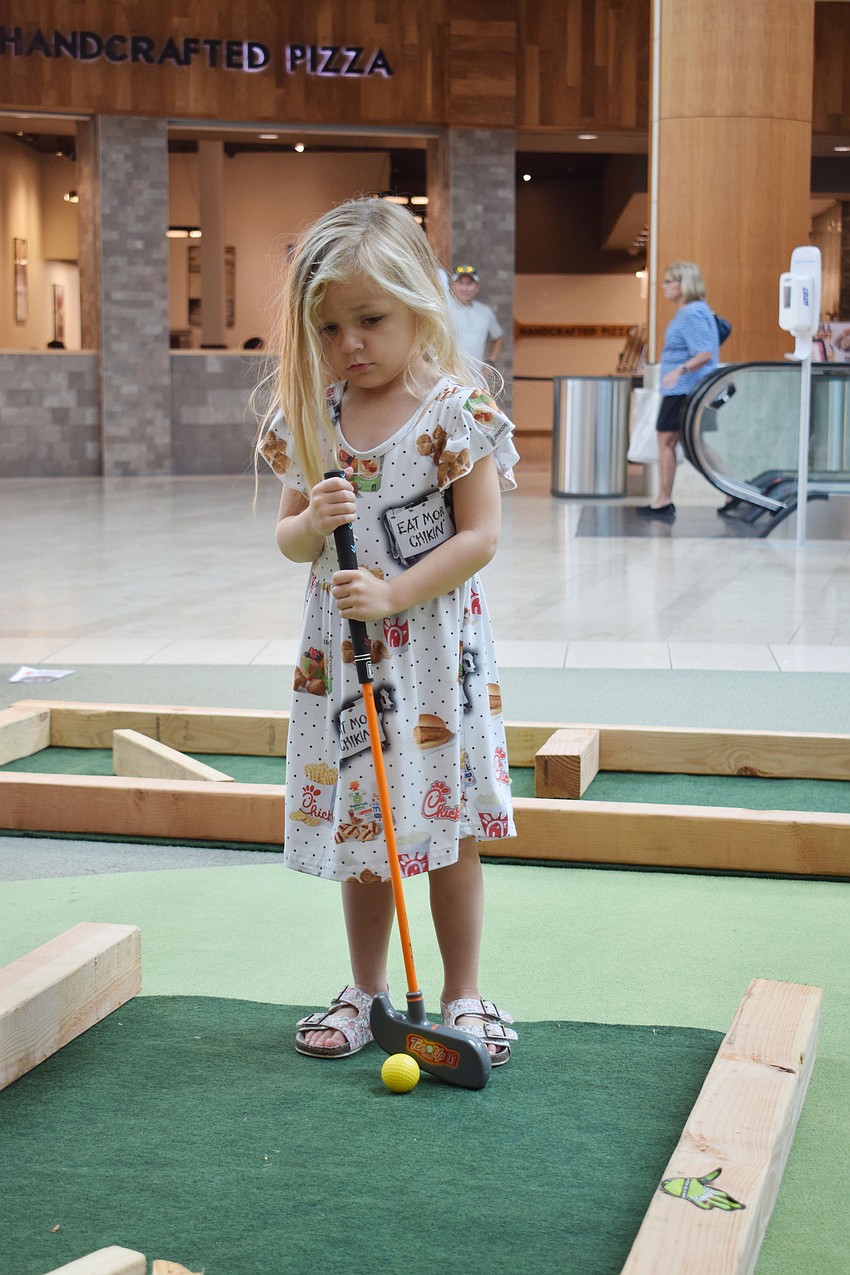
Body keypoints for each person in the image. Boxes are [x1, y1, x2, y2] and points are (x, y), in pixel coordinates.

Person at [257, 199, 520, 1066]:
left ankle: (463, 993)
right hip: (345, 657)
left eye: (370, 319)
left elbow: (479, 535)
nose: (350, 343)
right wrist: (312, 520)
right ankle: (366, 989)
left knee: (445, 825)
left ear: (417, 305)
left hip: (433, 652)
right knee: (363, 829)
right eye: (328, 327)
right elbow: (290, 535)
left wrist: (396, 590)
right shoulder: (316, 412)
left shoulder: (453, 408)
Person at [638, 261, 719, 520]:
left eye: (668, 281)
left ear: (685, 284)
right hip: (684, 389)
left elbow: (704, 353)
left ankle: (663, 499)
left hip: (683, 389)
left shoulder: (691, 314)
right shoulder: (694, 311)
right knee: (694, 444)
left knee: (667, 441)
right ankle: (731, 493)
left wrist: (678, 371)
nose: (663, 286)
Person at [448, 264, 504, 364]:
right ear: (452, 286)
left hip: (476, 377)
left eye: (469, 284)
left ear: (477, 287)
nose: (465, 288)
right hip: (448, 376)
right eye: (460, 283)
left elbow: (498, 338)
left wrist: (490, 363)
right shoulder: (443, 309)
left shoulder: (485, 312)